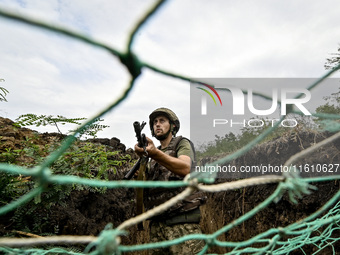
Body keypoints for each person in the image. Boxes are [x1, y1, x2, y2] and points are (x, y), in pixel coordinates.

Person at [134, 107, 206, 255]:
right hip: (157, 227)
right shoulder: (152, 156)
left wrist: (155, 154)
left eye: (162, 121)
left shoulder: (181, 143)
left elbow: (186, 168)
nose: (157, 125)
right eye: (155, 122)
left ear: (173, 126)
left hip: (183, 225)